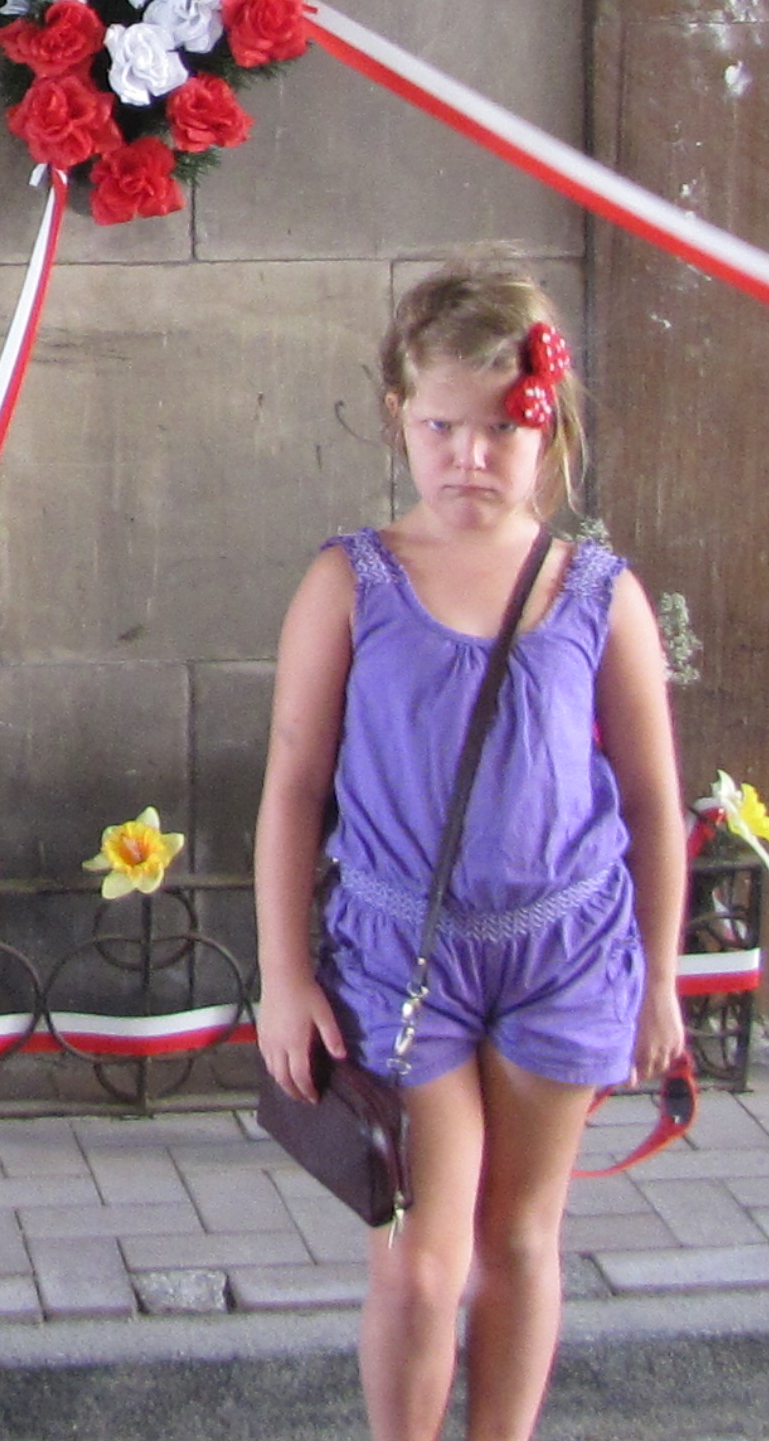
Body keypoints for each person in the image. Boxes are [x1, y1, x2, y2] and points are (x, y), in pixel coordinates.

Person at [252, 264, 688, 1441]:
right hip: (405, 960)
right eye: (442, 426)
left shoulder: (598, 593)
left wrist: (661, 974)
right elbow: (293, 788)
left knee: (520, 1238)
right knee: (421, 1253)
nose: (470, 457)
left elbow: (652, 799)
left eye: (502, 429)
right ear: (400, 417)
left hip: (566, 950)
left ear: (550, 425)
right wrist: (286, 979)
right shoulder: (350, 582)